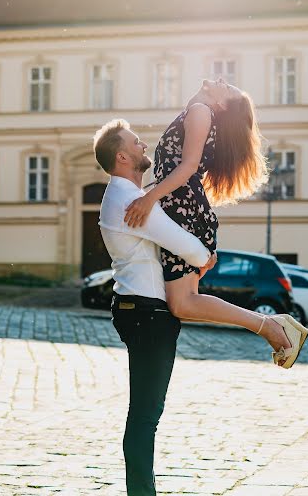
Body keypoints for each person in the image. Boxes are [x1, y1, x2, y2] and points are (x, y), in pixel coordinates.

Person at [124, 78, 308, 368]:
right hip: (182, 210)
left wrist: (148, 199)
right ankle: (272, 325)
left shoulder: (200, 111)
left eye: (229, 88)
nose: (223, 81)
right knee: (185, 302)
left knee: (183, 303)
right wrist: (149, 196)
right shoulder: (196, 110)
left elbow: (186, 168)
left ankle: (271, 327)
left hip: (183, 212)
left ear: (220, 104)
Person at [93, 118, 215, 496]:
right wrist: (206, 256)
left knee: (145, 413)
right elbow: (188, 247)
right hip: (146, 314)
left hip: (139, 311)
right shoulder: (132, 201)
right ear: (123, 155)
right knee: (146, 415)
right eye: (136, 142)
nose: (144, 145)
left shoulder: (125, 196)